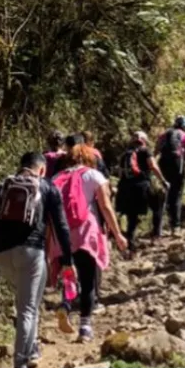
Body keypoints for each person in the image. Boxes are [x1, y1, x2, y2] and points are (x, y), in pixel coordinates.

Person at [0, 151, 74, 368]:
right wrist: (68, 260)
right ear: (41, 169)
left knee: (28, 302)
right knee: (27, 308)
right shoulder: (47, 188)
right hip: (32, 251)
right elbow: (60, 225)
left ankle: (31, 349)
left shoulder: (2, 186)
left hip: (1, 254)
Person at [49, 144, 128, 342]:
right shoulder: (94, 175)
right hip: (86, 232)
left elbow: (49, 215)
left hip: (61, 235)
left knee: (68, 274)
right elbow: (106, 206)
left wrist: (47, 243)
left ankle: (66, 304)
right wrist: (118, 234)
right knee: (88, 279)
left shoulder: (56, 178)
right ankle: (85, 327)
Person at [115, 131, 166, 251]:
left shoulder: (125, 154)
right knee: (157, 207)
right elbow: (153, 166)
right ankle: (156, 236)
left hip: (126, 187)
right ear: (144, 140)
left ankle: (130, 242)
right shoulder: (145, 151)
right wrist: (163, 180)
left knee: (131, 215)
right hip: (142, 185)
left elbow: (120, 173)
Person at [156, 116, 185, 234]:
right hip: (177, 164)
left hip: (163, 164)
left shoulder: (163, 135)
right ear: (184, 126)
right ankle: (176, 226)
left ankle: (159, 228)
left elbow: (155, 152)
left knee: (165, 192)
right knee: (177, 194)